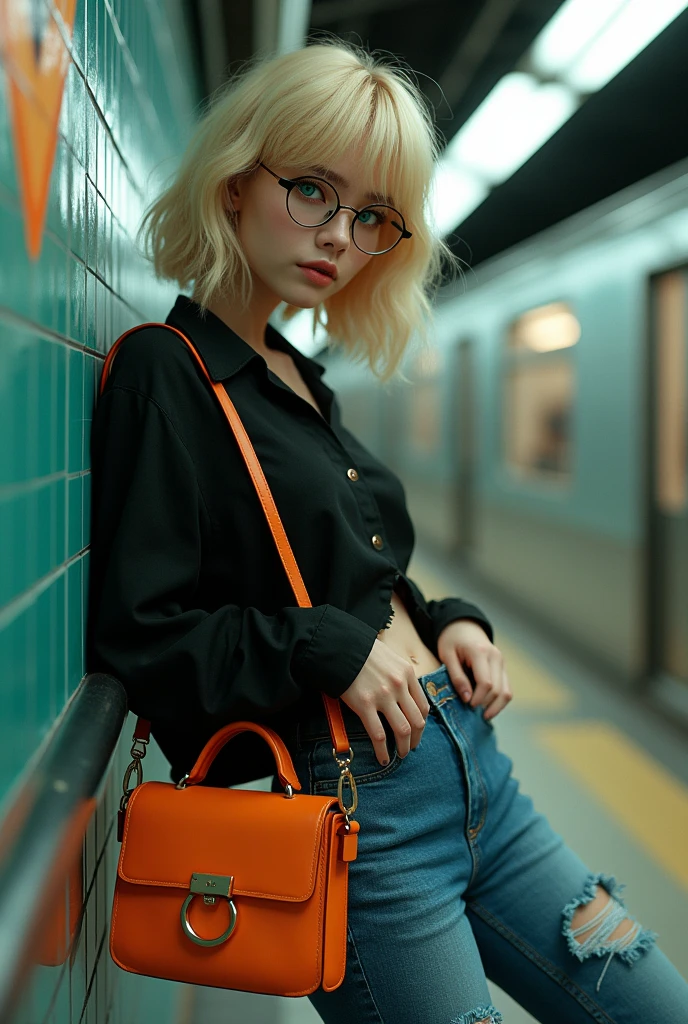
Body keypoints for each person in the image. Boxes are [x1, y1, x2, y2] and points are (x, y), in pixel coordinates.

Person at [86, 39, 688, 1024]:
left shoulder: (296, 375)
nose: (339, 236)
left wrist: (447, 617)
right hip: (366, 816)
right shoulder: (170, 371)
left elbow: (356, 576)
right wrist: (327, 648)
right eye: (313, 190)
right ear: (235, 180)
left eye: (370, 217)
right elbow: (140, 638)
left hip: (476, 773)